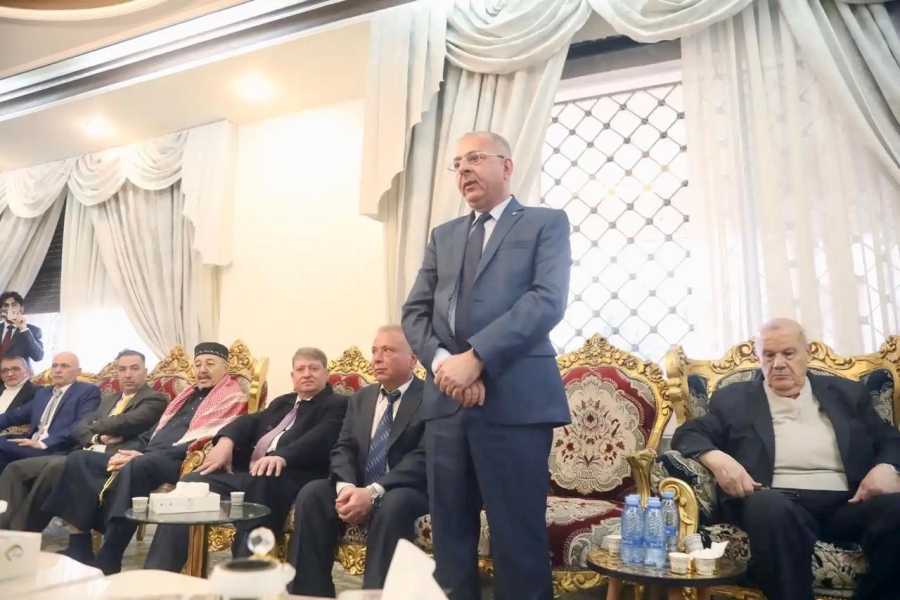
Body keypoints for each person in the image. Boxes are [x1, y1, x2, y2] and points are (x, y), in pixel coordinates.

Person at [401, 131, 572, 600]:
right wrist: (445, 366)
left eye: (474, 158)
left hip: (514, 403)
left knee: (517, 540)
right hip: (446, 406)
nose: (463, 170)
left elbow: (546, 300)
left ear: (507, 165)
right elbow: (414, 312)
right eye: (457, 164)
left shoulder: (545, 223)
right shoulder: (444, 236)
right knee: (450, 540)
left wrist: (477, 359)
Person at [672, 318, 900, 600]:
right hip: (777, 500)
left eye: (788, 353)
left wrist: (887, 467)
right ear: (758, 357)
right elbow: (688, 433)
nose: (778, 363)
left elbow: (890, 439)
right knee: (768, 505)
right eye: (769, 355)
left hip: (848, 502)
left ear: (808, 353)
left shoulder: (847, 394)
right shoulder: (733, 399)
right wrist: (717, 458)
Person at [46, 342, 248, 574]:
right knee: (79, 459)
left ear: (225, 367)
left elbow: (206, 441)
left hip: (180, 459)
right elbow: (153, 433)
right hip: (149, 454)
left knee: (138, 465)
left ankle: (111, 554)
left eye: (210, 364)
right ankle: (79, 547)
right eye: (198, 364)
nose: (202, 370)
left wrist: (140, 455)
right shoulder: (186, 397)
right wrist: (128, 451)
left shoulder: (232, 398)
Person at [145, 347, 348, 571]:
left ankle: (242, 576)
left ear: (326, 374)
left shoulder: (338, 404)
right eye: (300, 369)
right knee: (192, 483)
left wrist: (282, 456)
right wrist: (226, 441)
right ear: (293, 376)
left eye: (313, 368)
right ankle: (159, 572)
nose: (306, 374)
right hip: (249, 473)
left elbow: (322, 438)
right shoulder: (283, 402)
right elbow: (249, 421)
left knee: (263, 481)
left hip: (288, 476)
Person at [289, 326, 428, 597]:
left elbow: (423, 456)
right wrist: (347, 488)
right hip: (359, 485)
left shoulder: (430, 396)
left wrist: (373, 492)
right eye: (374, 351)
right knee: (313, 494)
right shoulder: (361, 398)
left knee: (393, 504)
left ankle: (376, 595)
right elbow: (343, 448)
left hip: (407, 489)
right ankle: (308, 594)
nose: (377, 358)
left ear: (412, 359)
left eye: (388, 350)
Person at [0, 349, 167, 531]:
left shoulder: (155, 399)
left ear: (145, 371)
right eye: (122, 369)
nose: (128, 374)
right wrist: (96, 436)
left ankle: (19, 535)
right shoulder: (109, 399)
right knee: (15, 469)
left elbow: (123, 422)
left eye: (134, 368)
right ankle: (3, 528)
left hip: (111, 458)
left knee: (54, 469)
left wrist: (93, 425)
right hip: (82, 452)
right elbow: (79, 428)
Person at [0, 352, 101, 474]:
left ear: (78, 371)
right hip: (31, 443)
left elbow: (80, 425)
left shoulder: (87, 391)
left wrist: (43, 443)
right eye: (54, 366)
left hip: (56, 449)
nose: (58, 370)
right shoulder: (43, 393)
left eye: (64, 366)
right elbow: (14, 416)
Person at [0, 292, 44, 369]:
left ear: (21, 309)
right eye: (6, 305)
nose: (10, 308)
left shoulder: (33, 330)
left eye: (14, 305)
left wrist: (24, 329)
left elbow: (38, 357)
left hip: (19, 374)